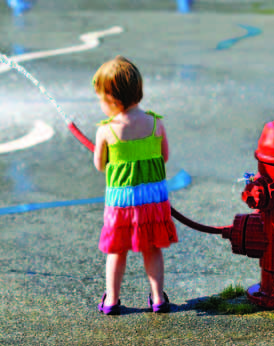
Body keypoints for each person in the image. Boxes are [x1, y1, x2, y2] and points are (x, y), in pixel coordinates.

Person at [92, 56, 178, 315]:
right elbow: (164, 157)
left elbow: (99, 164)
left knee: (117, 251)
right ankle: (158, 298)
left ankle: (112, 301)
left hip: (122, 202)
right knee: (152, 248)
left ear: (112, 99)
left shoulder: (107, 131)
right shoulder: (155, 123)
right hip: (152, 201)